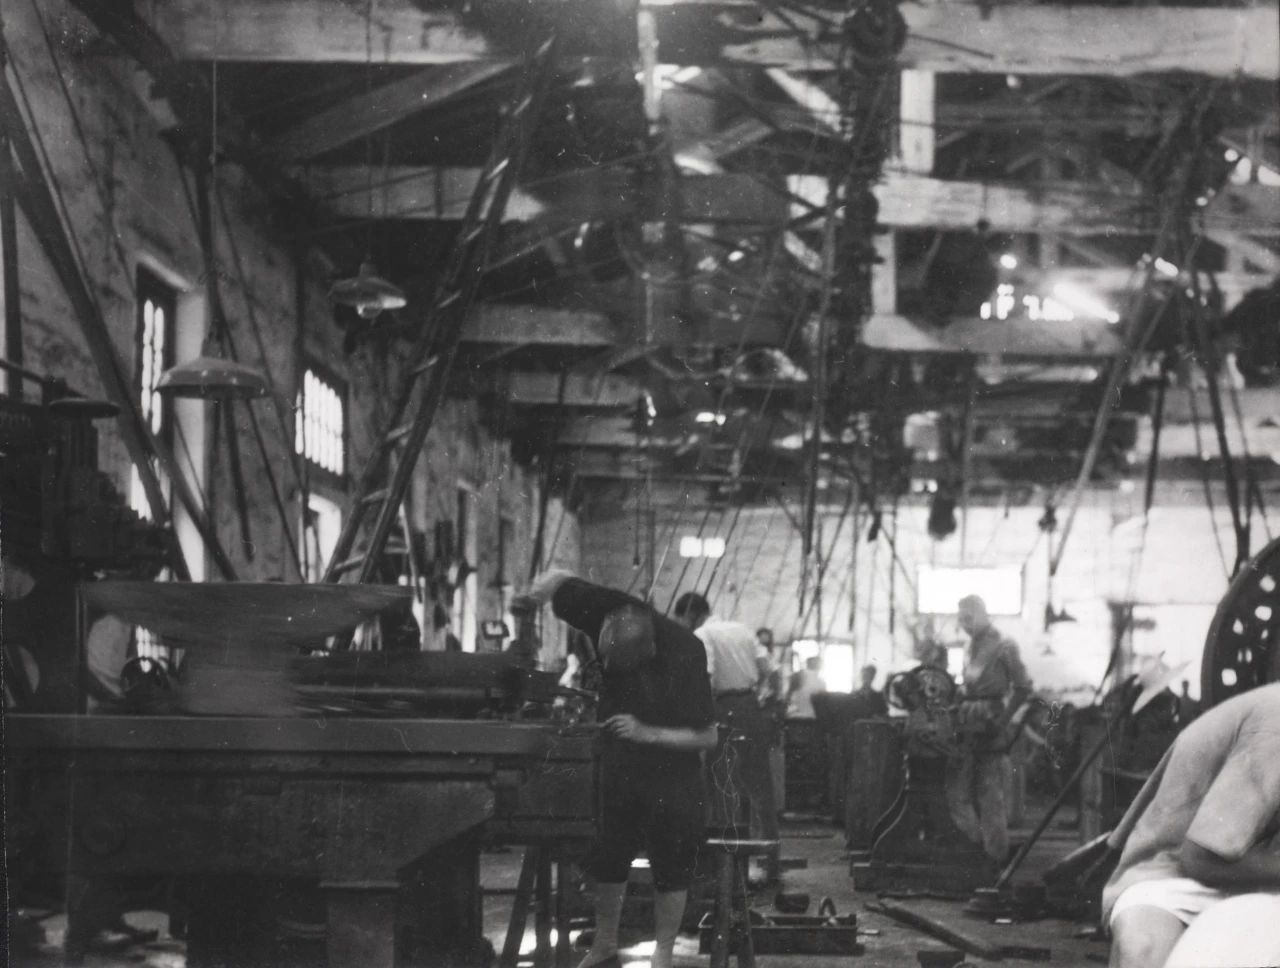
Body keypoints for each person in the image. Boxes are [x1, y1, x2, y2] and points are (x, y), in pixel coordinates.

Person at [518, 571, 717, 968]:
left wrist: (648, 732)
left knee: (671, 864)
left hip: (672, 775)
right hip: (620, 766)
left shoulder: (687, 651)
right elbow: (559, 581)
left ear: (650, 648)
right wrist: (531, 601)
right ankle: (605, 943)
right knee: (608, 855)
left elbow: (708, 736)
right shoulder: (606, 607)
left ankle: (663, 953)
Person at [1104, 682, 1280, 968]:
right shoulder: (1275, 724)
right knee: (1142, 952)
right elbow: (1200, 860)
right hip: (1173, 876)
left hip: (1257, 879)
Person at [674, 592, 781, 885]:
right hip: (751, 707)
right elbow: (773, 672)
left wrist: (697, 715)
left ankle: (726, 871)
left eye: (680, 621)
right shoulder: (742, 630)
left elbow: (706, 677)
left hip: (723, 708)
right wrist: (765, 700)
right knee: (761, 787)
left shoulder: (702, 634)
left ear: (690, 615)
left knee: (721, 786)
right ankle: (771, 865)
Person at [947, 594, 1033, 864]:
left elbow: (1023, 688)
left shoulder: (1005, 645)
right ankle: (976, 852)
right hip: (967, 722)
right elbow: (968, 685)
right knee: (960, 794)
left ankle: (994, 859)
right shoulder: (969, 646)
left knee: (990, 796)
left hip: (990, 722)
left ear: (982, 614)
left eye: (968, 618)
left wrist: (1003, 720)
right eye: (960, 619)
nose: (964, 624)